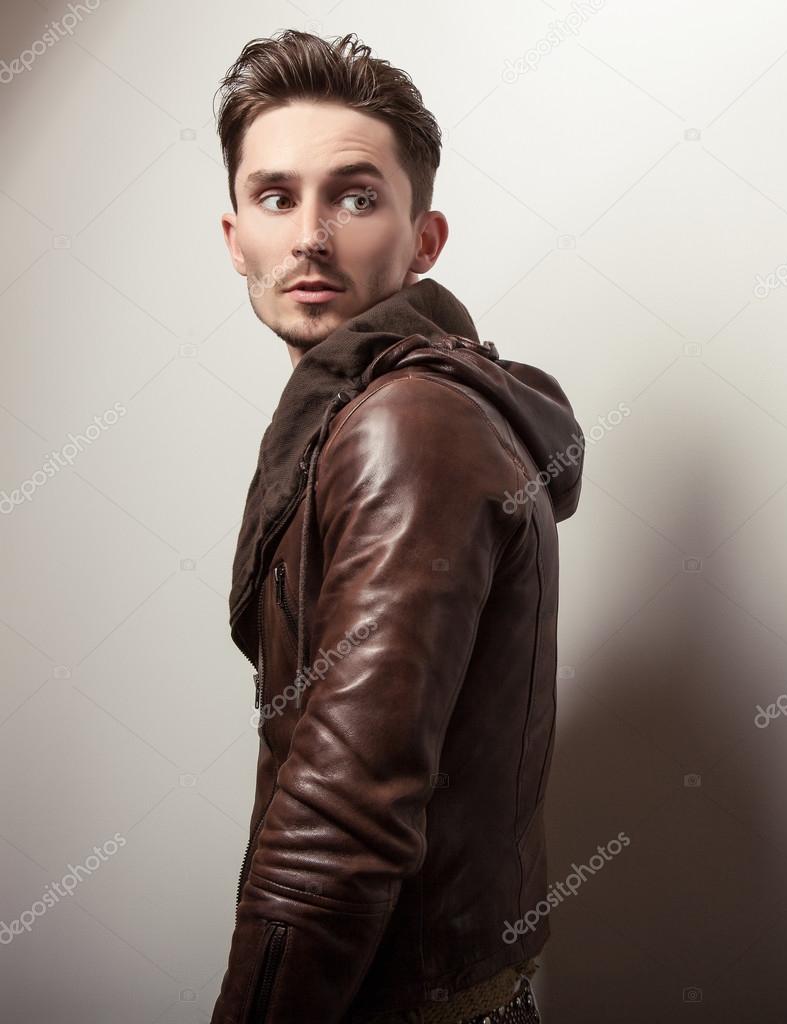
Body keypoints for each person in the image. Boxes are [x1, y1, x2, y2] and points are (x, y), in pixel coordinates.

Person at [209, 29, 584, 1023]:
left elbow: (340, 823)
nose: (310, 237)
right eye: (276, 196)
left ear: (424, 241)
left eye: (356, 195)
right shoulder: (365, 416)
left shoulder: (402, 426)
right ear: (233, 234)